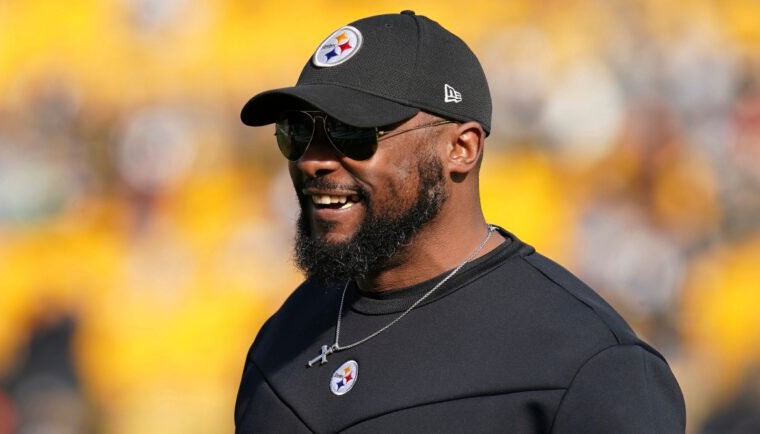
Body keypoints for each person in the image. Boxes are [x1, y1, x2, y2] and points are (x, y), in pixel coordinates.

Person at [235, 10, 686, 434]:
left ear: (462, 148)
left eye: (352, 132)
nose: (314, 161)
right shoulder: (286, 334)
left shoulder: (587, 364)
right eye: (297, 133)